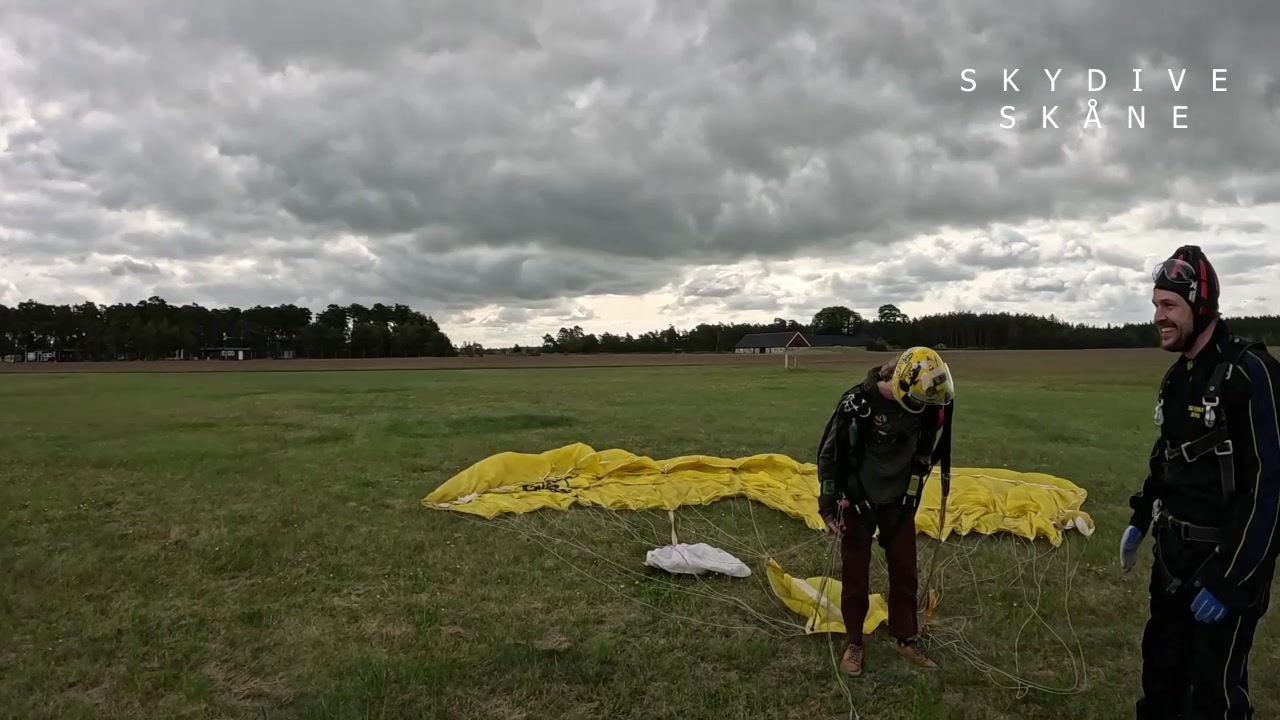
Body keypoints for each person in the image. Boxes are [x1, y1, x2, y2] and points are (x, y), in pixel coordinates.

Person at [1121, 245, 1280, 719]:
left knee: (1214, 698)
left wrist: (1231, 579)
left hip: (1222, 564)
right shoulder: (1179, 379)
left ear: (1201, 305)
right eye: (1156, 305)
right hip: (1172, 560)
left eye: (1169, 305)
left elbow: (1271, 489)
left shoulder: (1251, 374)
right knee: (1161, 682)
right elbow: (1167, 458)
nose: (1159, 316)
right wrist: (1140, 516)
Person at [816, 345, 955, 676]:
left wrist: (913, 492)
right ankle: (854, 642)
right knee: (855, 574)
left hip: (899, 502)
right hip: (858, 500)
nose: (922, 405)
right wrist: (828, 503)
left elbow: (924, 452)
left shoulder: (925, 405)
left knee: (905, 572)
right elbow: (830, 455)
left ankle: (906, 637)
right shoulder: (856, 405)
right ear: (899, 380)